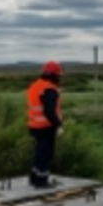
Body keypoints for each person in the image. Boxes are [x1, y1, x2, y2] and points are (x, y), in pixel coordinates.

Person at [24, 60, 63, 188]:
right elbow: (49, 110)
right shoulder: (49, 89)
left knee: (39, 152)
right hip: (45, 127)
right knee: (45, 153)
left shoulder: (34, 86)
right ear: (55, 75)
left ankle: (34, 178)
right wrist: (58, 125)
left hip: (33, 125)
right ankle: (41, 181)